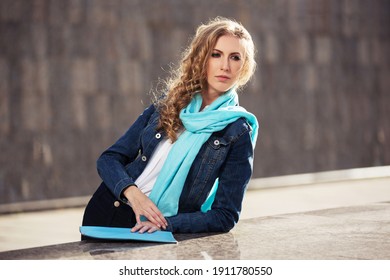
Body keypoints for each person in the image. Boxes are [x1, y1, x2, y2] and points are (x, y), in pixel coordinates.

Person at [82, 17, 259, 235]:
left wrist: (164, 224)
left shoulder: (237, 130)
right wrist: (133, 194)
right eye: (216, 54)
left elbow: (225, 215)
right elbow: (109, 159)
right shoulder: (169, 104)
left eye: (235, 57)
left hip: (159, 230)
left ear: (243, 67)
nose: (225, 66)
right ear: (202, 58)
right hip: (109, 212)